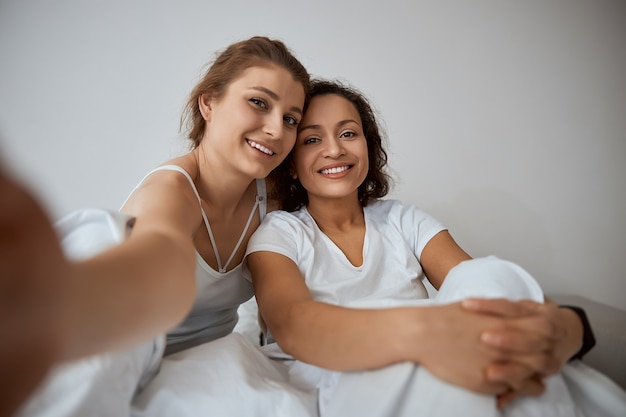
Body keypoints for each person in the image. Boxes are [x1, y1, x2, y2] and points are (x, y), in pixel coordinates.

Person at [245, 79, 626, 416]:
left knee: (486, 273)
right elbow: (293, 325)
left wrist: (567, 326)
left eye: (348, 133)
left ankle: (521, 355)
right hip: (344, 371)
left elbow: (477, 285)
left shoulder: (401, 220)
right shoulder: (279, 233)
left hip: (446, 351)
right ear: (291, 164)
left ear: (367, 144)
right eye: (312, 139)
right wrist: (426, 333)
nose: (334, 150)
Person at [0, 36, 309, 417]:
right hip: (123, 347)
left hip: (200, 369)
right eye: (259, 103)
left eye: (291, 118)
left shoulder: (274, 200)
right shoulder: (171, 191)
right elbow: (163, 259)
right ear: (208, 102)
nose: (277, 130)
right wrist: (43, 316)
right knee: (103, 231)